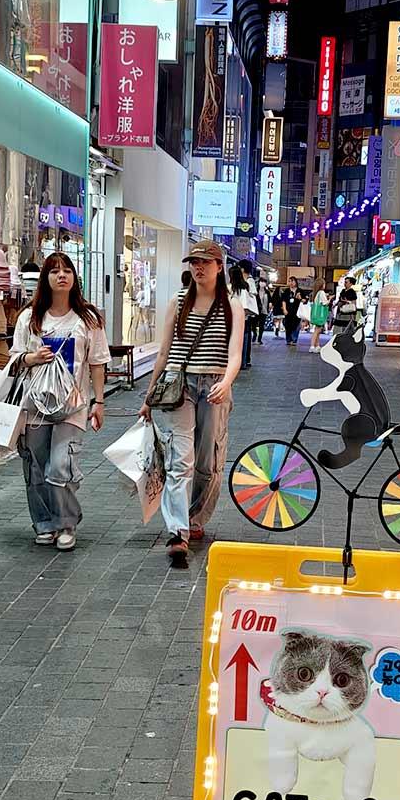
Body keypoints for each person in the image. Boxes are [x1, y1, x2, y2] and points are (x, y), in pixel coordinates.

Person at [141, 240, 245, 564]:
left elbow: (235, 355)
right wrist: (149, 396)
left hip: (215, 385)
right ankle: (178, 531)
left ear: (219, 266)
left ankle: (195, 517)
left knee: (207, 462)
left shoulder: (232, 305)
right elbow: (163, 351)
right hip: (180, 387)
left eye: (204, 262)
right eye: (193, 263)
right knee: (180, 460)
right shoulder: (178, 301)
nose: (198, 268)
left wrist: (226, 384)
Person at [8, 251, 109, 550]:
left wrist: (99, 403)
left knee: (59, 466)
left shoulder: (87, 319)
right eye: (54, 271)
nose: (61, 275)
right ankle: (44, 523)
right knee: (36, 467)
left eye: (67, 270)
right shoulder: (30, 317)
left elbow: (97, 363)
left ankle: (66, 523)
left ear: (75, 278)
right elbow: (13, 360)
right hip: (35, 405)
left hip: (72, 406)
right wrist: (31, 357)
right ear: (45, 279)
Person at [229, 262, 257, 369]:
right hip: (244, 316)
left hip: (232, 317)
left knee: (234, 340)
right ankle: (243, 362)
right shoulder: (245, 286)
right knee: (244, 339)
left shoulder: (230, 287)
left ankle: (236, 362)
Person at [309, 281, 332, 350]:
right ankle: (312, 346)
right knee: (317, 330)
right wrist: (330, 299)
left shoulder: (316, 293)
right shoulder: (321, 292)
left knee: (317, 330)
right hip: (320, 315)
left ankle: (317, 345)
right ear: (322, 285)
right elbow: (325, 303)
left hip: (316, 314)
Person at [281, 278, 302, 347]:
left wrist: (300, 298)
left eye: (292, 281)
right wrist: (284, 309)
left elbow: (305, 300)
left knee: (296, 326)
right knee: (288, 326)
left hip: (297, 312)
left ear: (296, 282)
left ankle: (294, 339)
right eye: (289, 281)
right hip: (288, 312)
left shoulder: (300, 291)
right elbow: (283, 301)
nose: (291, 283)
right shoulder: (286, 291)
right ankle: (288, 340)